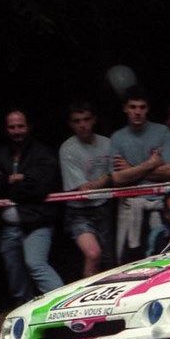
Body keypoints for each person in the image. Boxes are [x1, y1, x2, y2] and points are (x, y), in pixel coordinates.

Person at [0, 109, 63, 304]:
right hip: (8, 228)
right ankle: (25, 315)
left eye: (20, 126)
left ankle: (61, 303)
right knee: (15, 278)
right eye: (12, 127)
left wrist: (10, 183)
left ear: (29, 127)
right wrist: (16, 180)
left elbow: (43, 186)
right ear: (6, 129)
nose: (16, 131)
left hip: (37, 222)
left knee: (35, 264)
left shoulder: (43, 153)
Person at [108, 86, 170, 263]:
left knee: (160, 259)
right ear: (125, 108)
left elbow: (169, 171)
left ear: (147, 109)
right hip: (129, 207)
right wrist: (151, 164)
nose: (137, 112)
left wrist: (130, 169)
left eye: (141, 107)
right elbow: (117, 179)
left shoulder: (162, 131)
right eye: (133, 107)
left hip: (158, 206)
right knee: (126, 262)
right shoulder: (117, 138)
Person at [59, 101, 113, 278]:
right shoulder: (68, 149)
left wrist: (113, 177)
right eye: (77, 121)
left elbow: (120, 173)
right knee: (93, 253)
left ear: (94, 120)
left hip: (104, 207)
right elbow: (84, 189)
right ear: (71, 124)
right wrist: (109, 177)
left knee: (108, 260)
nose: (83, 125)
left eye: (86, 119)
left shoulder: (107, 143)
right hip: (79, 212)